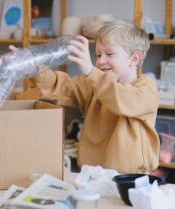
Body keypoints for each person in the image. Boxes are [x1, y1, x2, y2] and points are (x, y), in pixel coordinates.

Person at [23, 20, 159, 173]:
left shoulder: (146, 89)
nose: (100, 61)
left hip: (130, 177)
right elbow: (61, 86)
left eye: (109, 54)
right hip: (92, 174)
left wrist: (90, 71)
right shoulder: (94, 84)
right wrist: (35, 68)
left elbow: (121, 98)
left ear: (134, 59)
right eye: (98, 54)